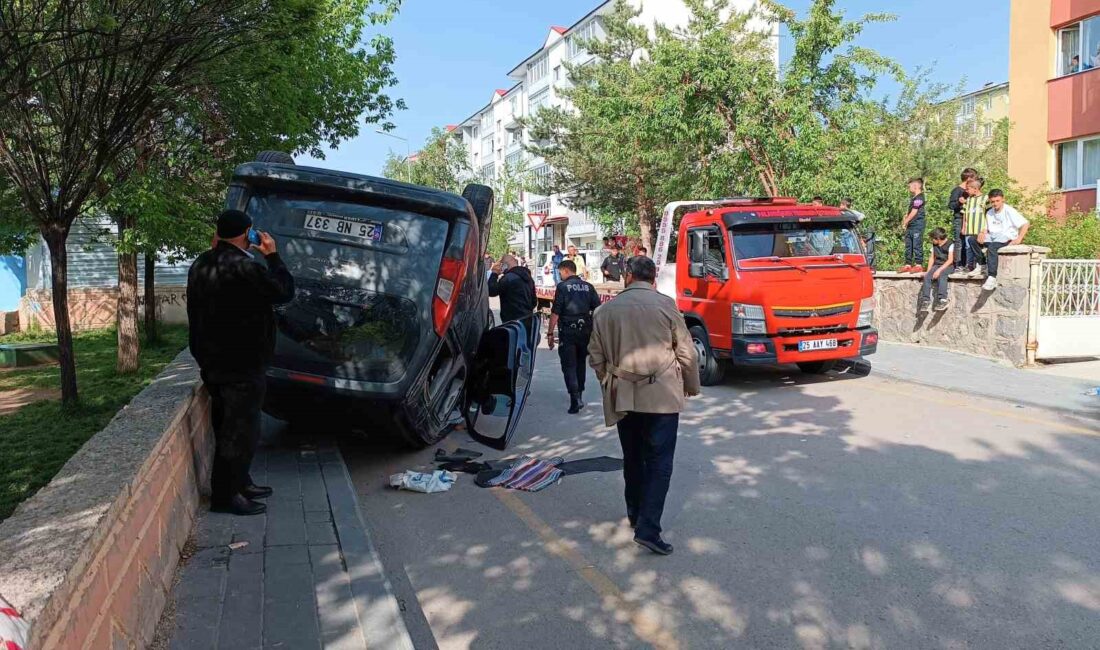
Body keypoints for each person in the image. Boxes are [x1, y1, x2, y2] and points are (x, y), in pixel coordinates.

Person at [588, 256, 700, 556]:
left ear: (627, 276)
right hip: (662, 396)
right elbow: (687, 352)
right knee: (660, 463)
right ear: (653, 278)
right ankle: (649, 528)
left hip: (624, 396)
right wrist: (690, 385)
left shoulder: (605, 310)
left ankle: (635, 514)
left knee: (633, 457)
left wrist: (611, 382)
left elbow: (596, 358)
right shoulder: (666, 306)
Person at [187, 210, 295, 516]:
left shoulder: (202, 263)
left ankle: (240, 481)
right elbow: (284, 292)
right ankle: (225, 496)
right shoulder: (245, 267)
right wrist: (272, 257)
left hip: (212, 360)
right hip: (242, 364)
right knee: (241, 431)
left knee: (226, 425)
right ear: (247, 233)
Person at [548, 259, 601, 414]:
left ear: (565, 271)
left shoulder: (562, 287)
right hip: (585, 330)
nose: (560, 276)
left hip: (568, 331)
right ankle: (580, 395)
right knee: (580, 363)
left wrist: (550, 333)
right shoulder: (588, 287)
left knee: (569, 365)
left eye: (560, 273)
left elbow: (556, 312)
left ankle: (574, 398)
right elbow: (597, 309)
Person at [979, 190, 1030, 291]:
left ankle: (992, 277)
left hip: (1006, 236)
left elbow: (1025, 223)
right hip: (993, 236)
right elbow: (986, 228)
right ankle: (981, 266)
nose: (995, 204)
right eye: (993, 201)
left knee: (992, 248)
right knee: (972, 240)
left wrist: (1019, 239)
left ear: (1003, 199)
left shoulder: (1009, 211)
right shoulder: (989, 212)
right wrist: (982, 233)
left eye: (997, 201)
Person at [488, 253, 536, 322]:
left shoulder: (508, 278)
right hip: (528, 319)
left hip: (512, 322)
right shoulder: (528, 278)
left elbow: (492, 291)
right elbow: (534, 301)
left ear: (505, 265)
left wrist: (494, 274)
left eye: (501, 265)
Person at [918, 227, 955, 312]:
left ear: (938, 239)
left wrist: (939, 270)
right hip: (937, 265)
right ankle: (926, 301)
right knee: (927, 277)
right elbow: (932, 258)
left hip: (948, 266)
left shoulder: (951, 244)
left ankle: (943, 300)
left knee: (942, 275)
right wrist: (928, 271)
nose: (932, 241)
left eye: (932, 239)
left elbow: (950, 260)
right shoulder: (934, 245)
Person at [949, 168, 979, 272]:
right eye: (974, 178)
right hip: (960, 219)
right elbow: (951, 205)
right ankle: (958, 264)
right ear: (968, 178)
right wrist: (959, 202)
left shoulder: (971, 190)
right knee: (959, 242)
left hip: (970, 219)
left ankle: (970, 263)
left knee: (970, 242)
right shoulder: (957, 191)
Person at [962, 178, 988, 277]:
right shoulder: (968, 200)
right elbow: (965, 213)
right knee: (968, 248)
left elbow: (988, 214)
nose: (966, 191)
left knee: (980, 249)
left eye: (968, 189)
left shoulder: (985, 198)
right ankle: (970, 266)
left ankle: (981, 265)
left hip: (980, 230)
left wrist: (986, 229)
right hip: (969, 229)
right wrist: (964, 226)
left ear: (975, 189)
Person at [900, 178, 926, 273]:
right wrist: (906, 218)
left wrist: (905, 221)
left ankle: (918, 265)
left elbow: (914, 211)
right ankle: (908, 264)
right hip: (911, 226)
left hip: (917, 225)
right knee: (908, 244)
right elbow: (910, 211)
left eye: (910, 186)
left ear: (916, 186)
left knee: (916, 244)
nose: (909, 188)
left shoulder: (920, 198)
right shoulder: (914, 198)